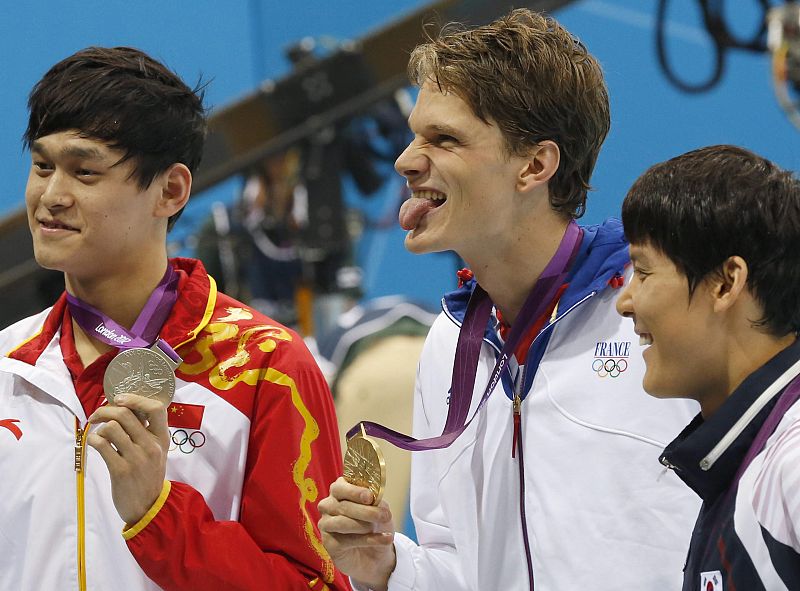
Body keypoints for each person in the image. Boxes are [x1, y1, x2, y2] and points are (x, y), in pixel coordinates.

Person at [318, 9, 700, 591]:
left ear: (534, 165)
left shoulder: (660, 311)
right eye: (414, 134)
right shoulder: (450, 345)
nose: (405, 160)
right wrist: (390, 566)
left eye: (444, 139)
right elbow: (458, 564)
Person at [0, 46, 349, 591]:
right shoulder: (6, 364)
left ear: (171, 190)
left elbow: (317, 583)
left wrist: (158, 514)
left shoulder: (265, 367)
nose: (51, 196)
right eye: (43, 165)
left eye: (84, 172)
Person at [616, 145, 800, 590]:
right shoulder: (752, 458)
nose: (625, 302)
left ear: (725, 283)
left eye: (643, 272)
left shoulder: (791, 462)